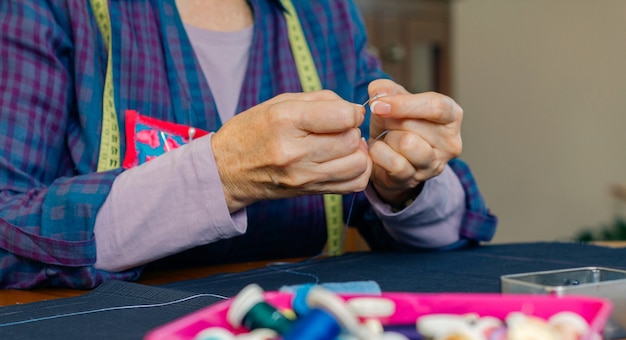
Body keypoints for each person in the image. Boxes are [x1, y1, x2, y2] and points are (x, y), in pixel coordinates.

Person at [0, 0, 497, 289]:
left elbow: (447, 233)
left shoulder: (321, 13)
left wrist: (406, 181)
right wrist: (223, 172)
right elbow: (7, 230)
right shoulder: (48, 10)